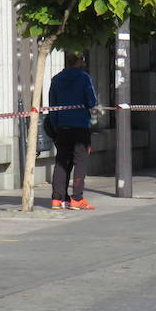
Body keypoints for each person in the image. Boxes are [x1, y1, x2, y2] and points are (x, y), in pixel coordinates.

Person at [48, 51, 98, 210]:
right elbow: (91, 101)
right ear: (79, 61)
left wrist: (55, 127)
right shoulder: (84, 78)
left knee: (61, 162)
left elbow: (53, 107)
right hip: (80, 126)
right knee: (80, 162)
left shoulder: (56, 80)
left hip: (62, 127)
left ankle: (57, 199)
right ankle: (77, 198)